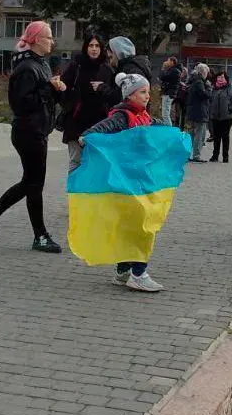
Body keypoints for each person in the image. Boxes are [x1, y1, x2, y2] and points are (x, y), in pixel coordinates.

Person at [0, 21, 66, 253]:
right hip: (28, 132)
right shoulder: (26, 67)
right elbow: (20, 103)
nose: (52, 42)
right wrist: (49, 89)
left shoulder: (40, 64)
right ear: (35, 40)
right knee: (34, 185)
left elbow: (44, 97)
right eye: (48, 37)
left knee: (30, 183)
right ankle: (40, 236)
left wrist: (57, 90)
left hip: (37, 131)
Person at [78, 72, 166, 292]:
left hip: (140, 180)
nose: (148, 96)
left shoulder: (143, 116)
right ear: (130, 95)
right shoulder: (123, 116)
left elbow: (158, 127)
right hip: (127, 182)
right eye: (143, 92)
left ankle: (123, 270)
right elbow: (101, 128)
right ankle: (139, 273)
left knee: (131, 226)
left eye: (148, 92)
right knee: (143, 226)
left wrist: (174, 135)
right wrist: (87, 137)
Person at [59, 31, 114, 173]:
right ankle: (74, 194)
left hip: (99, 123)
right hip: (76, 121)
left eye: (97, 46)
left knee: (97, 162)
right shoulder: (76, 66)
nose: (94, 49)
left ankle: (92, 194)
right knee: (76, 161)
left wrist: (103, 88)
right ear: (85, 47)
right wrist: (66, 91)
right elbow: (63, 89)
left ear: (101, 49)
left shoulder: (107, 69)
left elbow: (114, 96)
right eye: (91, 45)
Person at [209, 72, 232, 162]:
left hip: (227, 117)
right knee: (216, 137)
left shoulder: (231, 88)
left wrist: (229, 109)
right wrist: (210, 110)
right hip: (215, 117)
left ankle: (225, 156)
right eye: (219, 77)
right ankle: (215, 156)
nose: (220, 79)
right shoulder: (213, 88)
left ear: (226, 78)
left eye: (222, 77)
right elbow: (209, 101)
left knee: (225, 137)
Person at [186, 63, 211, 162]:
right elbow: (204, 95)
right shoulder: (200, 83)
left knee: (192, 133)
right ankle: (196, 155)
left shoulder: (193, 81)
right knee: (199, 134)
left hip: (192, 111)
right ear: (203, 72)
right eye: (207, 72)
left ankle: (187, 153)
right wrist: (209, 89)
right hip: (199, 112)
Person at [159, 56, 183, 124]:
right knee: (166, 113)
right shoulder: (173, 70)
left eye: (168, 60)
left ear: (172, 62)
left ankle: (169, 130)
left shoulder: (174, 71)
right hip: (169, 93)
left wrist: (163, 68)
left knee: (165, 114)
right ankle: (168, 128)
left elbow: (162, 77)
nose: (166, 62)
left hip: (168, 93)